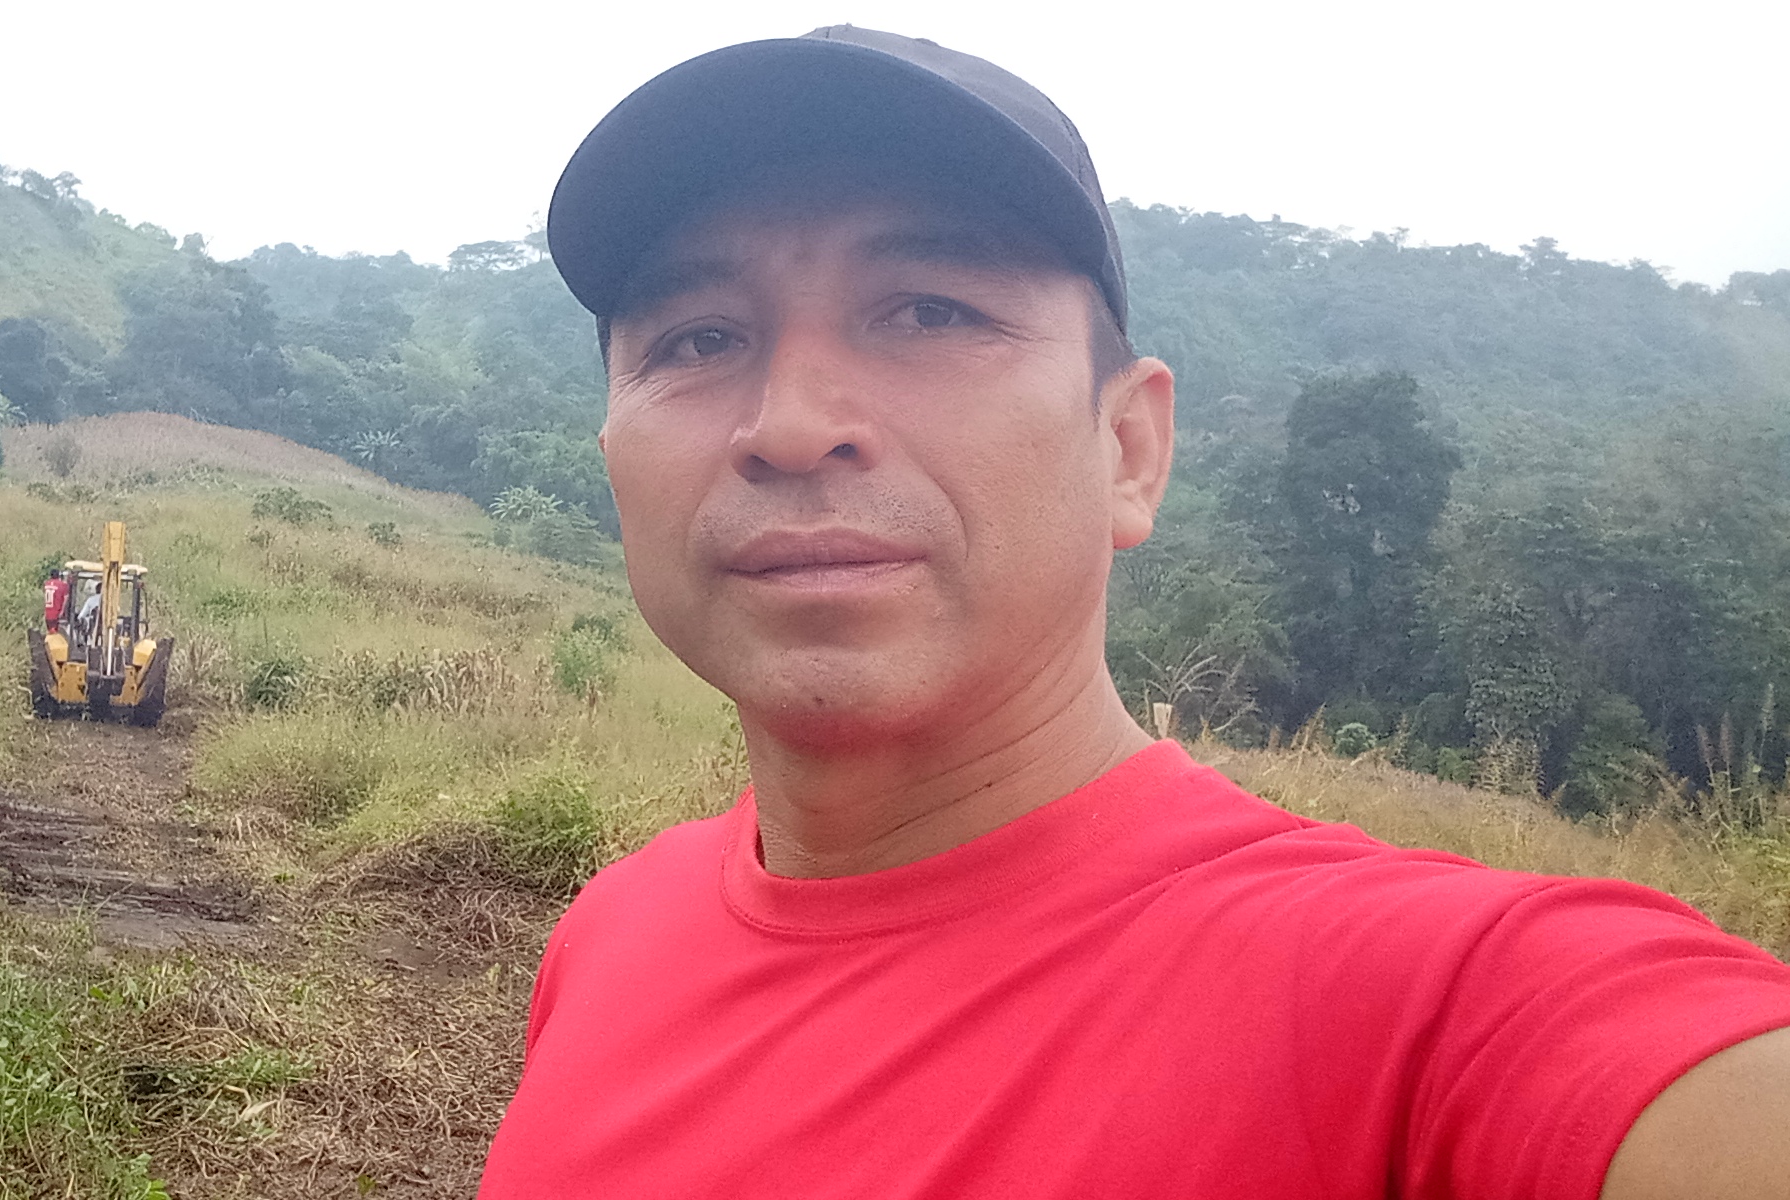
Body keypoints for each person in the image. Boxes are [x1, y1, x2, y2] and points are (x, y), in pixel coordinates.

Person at [477, 26, 1790, 1200]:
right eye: (697, 340)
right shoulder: (611, 935)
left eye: (929, 311)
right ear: (611, 455)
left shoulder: (1426, 1011)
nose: (791, 423)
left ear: (1129, 449)